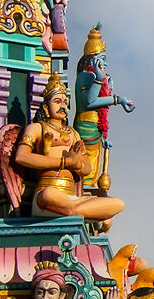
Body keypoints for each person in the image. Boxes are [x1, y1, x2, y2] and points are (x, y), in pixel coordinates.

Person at [13, 69, 123, 223]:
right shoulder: (37, 128)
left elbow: (87, 169)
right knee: (50, 195)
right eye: (57, 101)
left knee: (117, 204)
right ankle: (78, 212)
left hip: (71, 197)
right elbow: (21, 156)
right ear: (46, 107)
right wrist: (65, 162)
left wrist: (77, 163)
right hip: (47, 192)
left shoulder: (74, 134)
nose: (62, 105)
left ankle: (73, 211)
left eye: (65, 102)